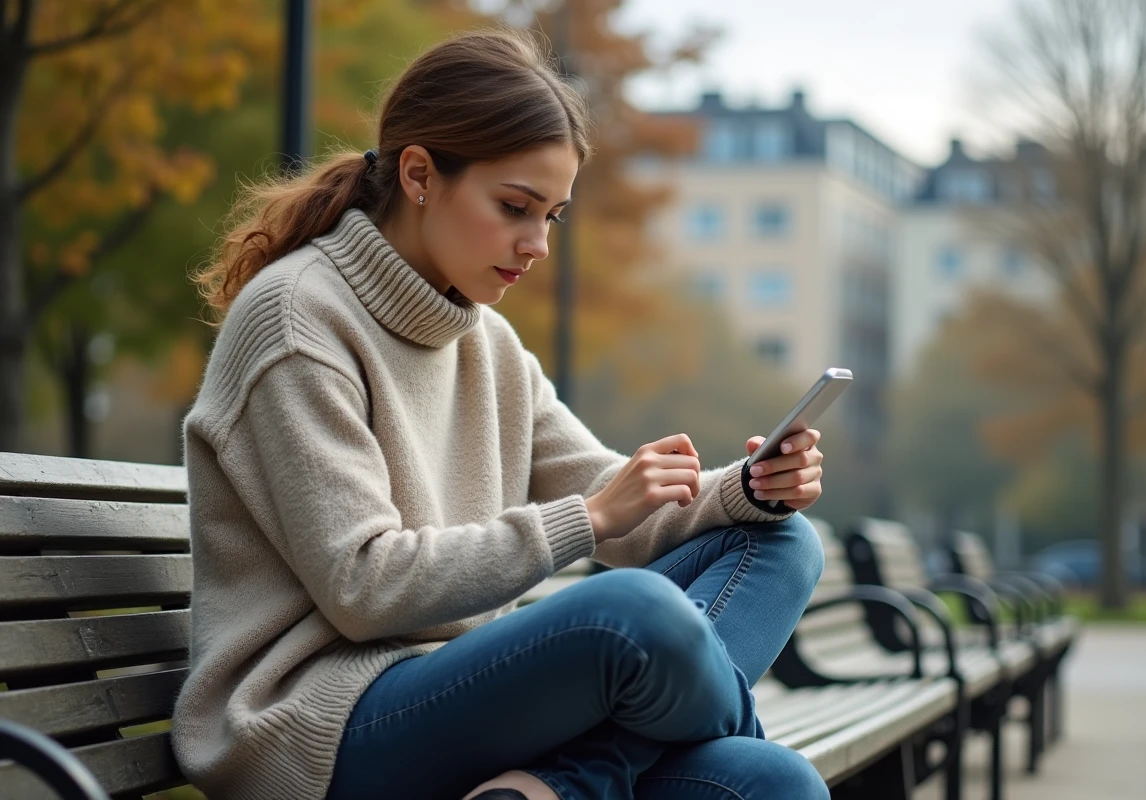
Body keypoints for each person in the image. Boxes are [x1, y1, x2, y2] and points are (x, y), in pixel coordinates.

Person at [176, 25, 829, 800]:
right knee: (635, 615)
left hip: (464, 713)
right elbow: (364, 587)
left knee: (775, 729)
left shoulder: (486, 341)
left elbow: (626, 510)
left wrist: (748, 491)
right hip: (321, 726)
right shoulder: (296, 320)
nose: (537, 245)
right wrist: (584, 518)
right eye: (516, 207)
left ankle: (558, 786)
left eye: (551, 216)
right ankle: (583, 777)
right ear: (419, 174)